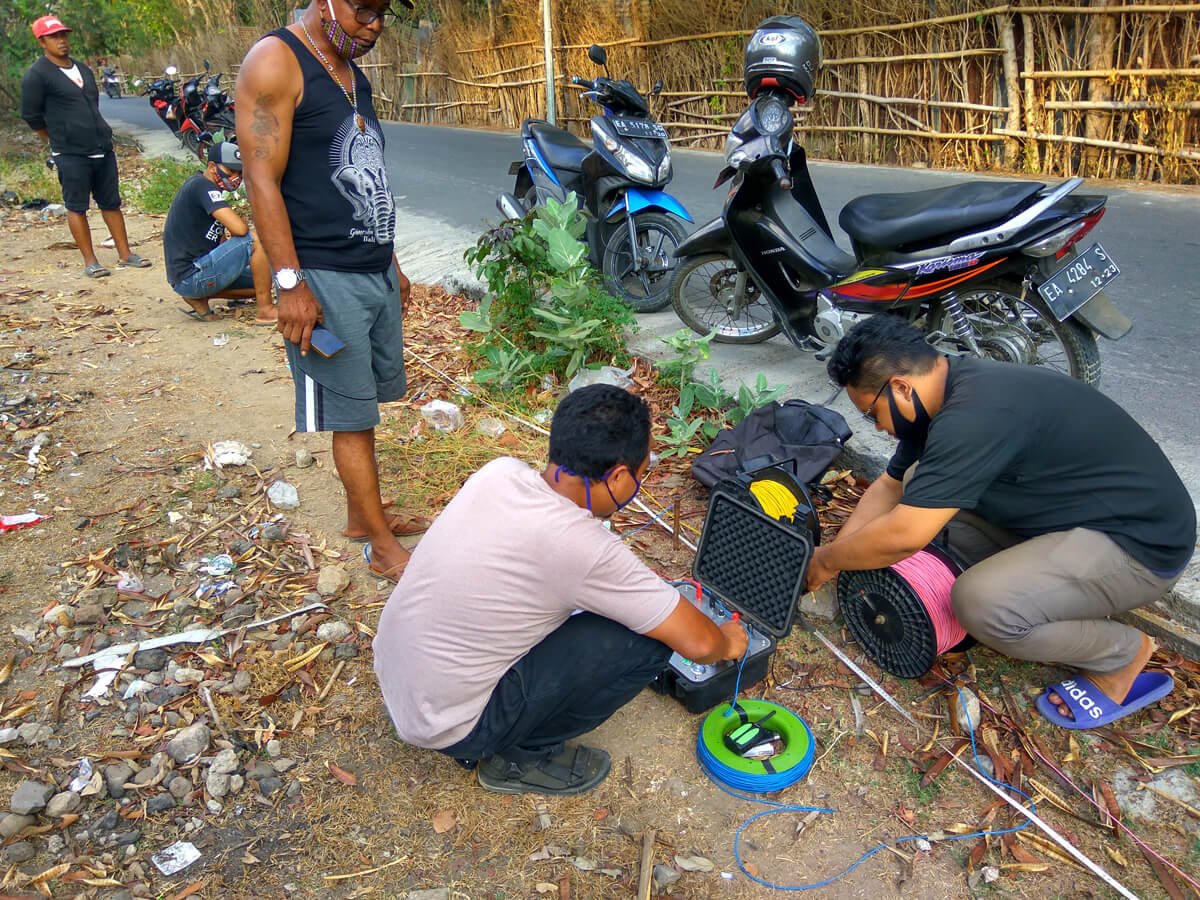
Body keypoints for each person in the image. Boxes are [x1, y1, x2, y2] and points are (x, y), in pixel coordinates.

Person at [807, 315, 1195, 729]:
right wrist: (831, 558)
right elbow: (889, 485)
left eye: (873, 413)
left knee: (981, 604)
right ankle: (1029, 582)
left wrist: (828, 561)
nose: (881, 428)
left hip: (1138, 544)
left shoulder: (975, 415)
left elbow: (904, 536)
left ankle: (1120, 654)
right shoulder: (944, 389)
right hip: (1064, 514)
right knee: (917, 480)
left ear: (900, 387)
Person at [373, 385, 750, 795]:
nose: (640, 483)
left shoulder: (499, 473)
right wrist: (727, 642)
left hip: (400, 680)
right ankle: (521, 756)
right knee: (646, 642)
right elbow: (698, 643)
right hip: (450, 725)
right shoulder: (582, 548)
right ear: (618, 476)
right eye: (641, 474)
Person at [236, 0, 421, 582]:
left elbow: (371, 177)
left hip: (371, 268)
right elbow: (260, 178)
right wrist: (290, 283)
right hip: (321, 272)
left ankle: (364, 517)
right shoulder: (276, 61)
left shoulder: (350, 73)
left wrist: (391, 258)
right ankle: (380, 547)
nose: (374, 25)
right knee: (350, 414)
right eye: (363, 9)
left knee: (368, 402)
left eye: (383, 13)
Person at [19, 15, 152, 278]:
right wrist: (55, 139)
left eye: (63, 35)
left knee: (111, 202)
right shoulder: (37, 75)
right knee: (76, 206)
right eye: (54, 37)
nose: (61, 40)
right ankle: (91, 261)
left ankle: (126, 254)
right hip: (70, 153)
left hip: (101, 147)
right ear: (42, 42)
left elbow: (92, 105)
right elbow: (31, 116)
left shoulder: (83, 69)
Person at [162, 141, 276, 324]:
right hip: (192, 274)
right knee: (254, 240)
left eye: (240, 173)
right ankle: (265, 311)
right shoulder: (202, 186)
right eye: (231, 171)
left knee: (264, 280)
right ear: (212, 167)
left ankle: (199, 297)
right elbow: (240, 230)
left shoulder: (204, 188)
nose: (236, 178)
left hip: (189, 278)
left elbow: (221, 243)